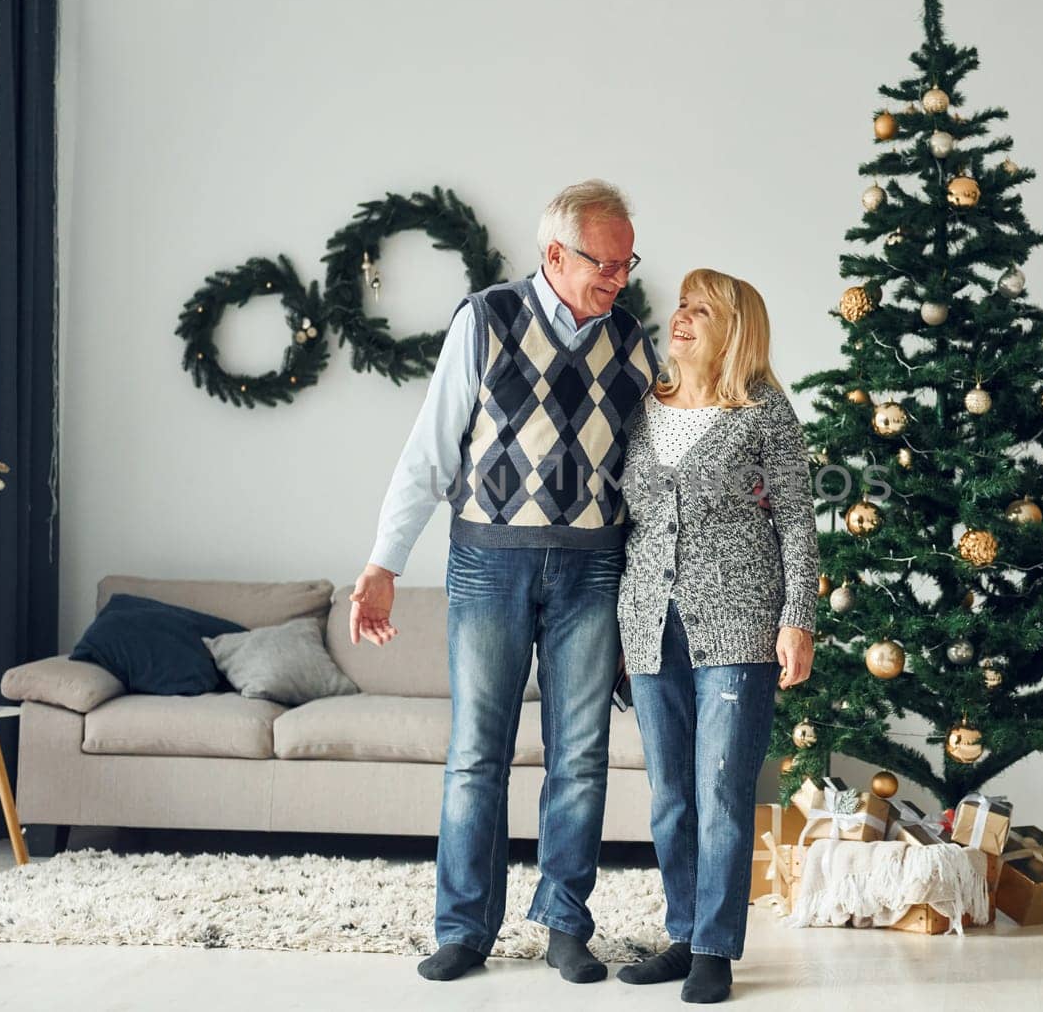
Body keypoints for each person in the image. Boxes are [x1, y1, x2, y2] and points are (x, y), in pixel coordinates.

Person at [349, 180, 658, 984]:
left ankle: (565, 922)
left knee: (581, 755)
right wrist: (384, 564)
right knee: (476, 754)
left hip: (595, 563)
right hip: (489, 558)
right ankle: (463, 928)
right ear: (554, 253)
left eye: (627, 264)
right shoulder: (486, 321)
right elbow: (430, 451)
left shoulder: (630, 341)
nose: (618, 278)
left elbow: (653, 472)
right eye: (605, 262)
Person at [613, 269, 818, 1004]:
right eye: (682, 305)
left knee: (722, 791)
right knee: (670, 795)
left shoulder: (764, 412)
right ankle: (681, 929)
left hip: (739, 622)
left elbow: (796, 520)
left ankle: (714, 948)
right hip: (646, 622)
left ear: (734, 329)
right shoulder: (641, 407)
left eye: (702, 310)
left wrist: (799, 619)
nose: (681, 317)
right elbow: (626, 524)